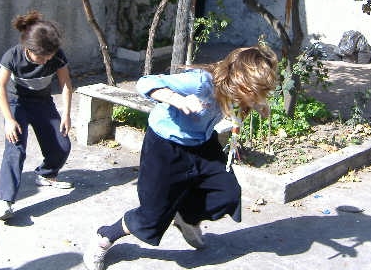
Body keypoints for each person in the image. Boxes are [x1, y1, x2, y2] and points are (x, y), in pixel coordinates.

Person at [83, 45, 279, 270]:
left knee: (226, 192)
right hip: (165, 146)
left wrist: (258, 104)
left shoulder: (236, 91)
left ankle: (187, 218)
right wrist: (177, 99)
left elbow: (243, 101)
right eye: (255, 92)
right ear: (239, 80)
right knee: (153, 215)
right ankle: (105, 237)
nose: (256, 97)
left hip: (203, 144)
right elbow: (145, 83)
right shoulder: (200, 82)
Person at [0, 10, 74, 221]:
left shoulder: (56, 56)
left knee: (62, 144)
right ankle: (5, 200)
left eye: (50, 55)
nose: (48, 59)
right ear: (28, 49)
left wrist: (66, 113)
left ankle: (46, 174)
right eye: (43, 56)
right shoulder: (12, 56)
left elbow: (65, 84)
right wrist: (9, 120)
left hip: (42, 102)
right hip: (17, 103)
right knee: (15, 148)